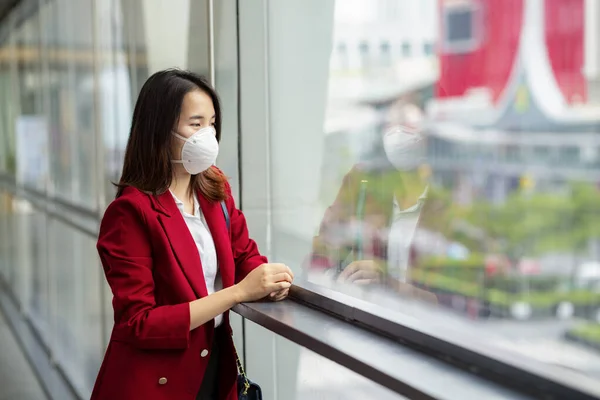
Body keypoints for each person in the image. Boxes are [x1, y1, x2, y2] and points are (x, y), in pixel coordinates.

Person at [91, 69, 294, 400]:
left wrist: (269, 279)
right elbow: (139, 322)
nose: (208, 135)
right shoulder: (130, 213)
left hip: (213, 365)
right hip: (154, 381)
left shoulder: (215, 189)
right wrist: (238, 293)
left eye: (212, 123)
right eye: (195, 124)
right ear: (160, 130)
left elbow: (243, 255)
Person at [307, 124, 449, 302]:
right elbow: (331, 240)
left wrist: (387, 283)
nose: (398, 132)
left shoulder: (440, 209)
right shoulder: (377, 195)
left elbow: (445, 304)